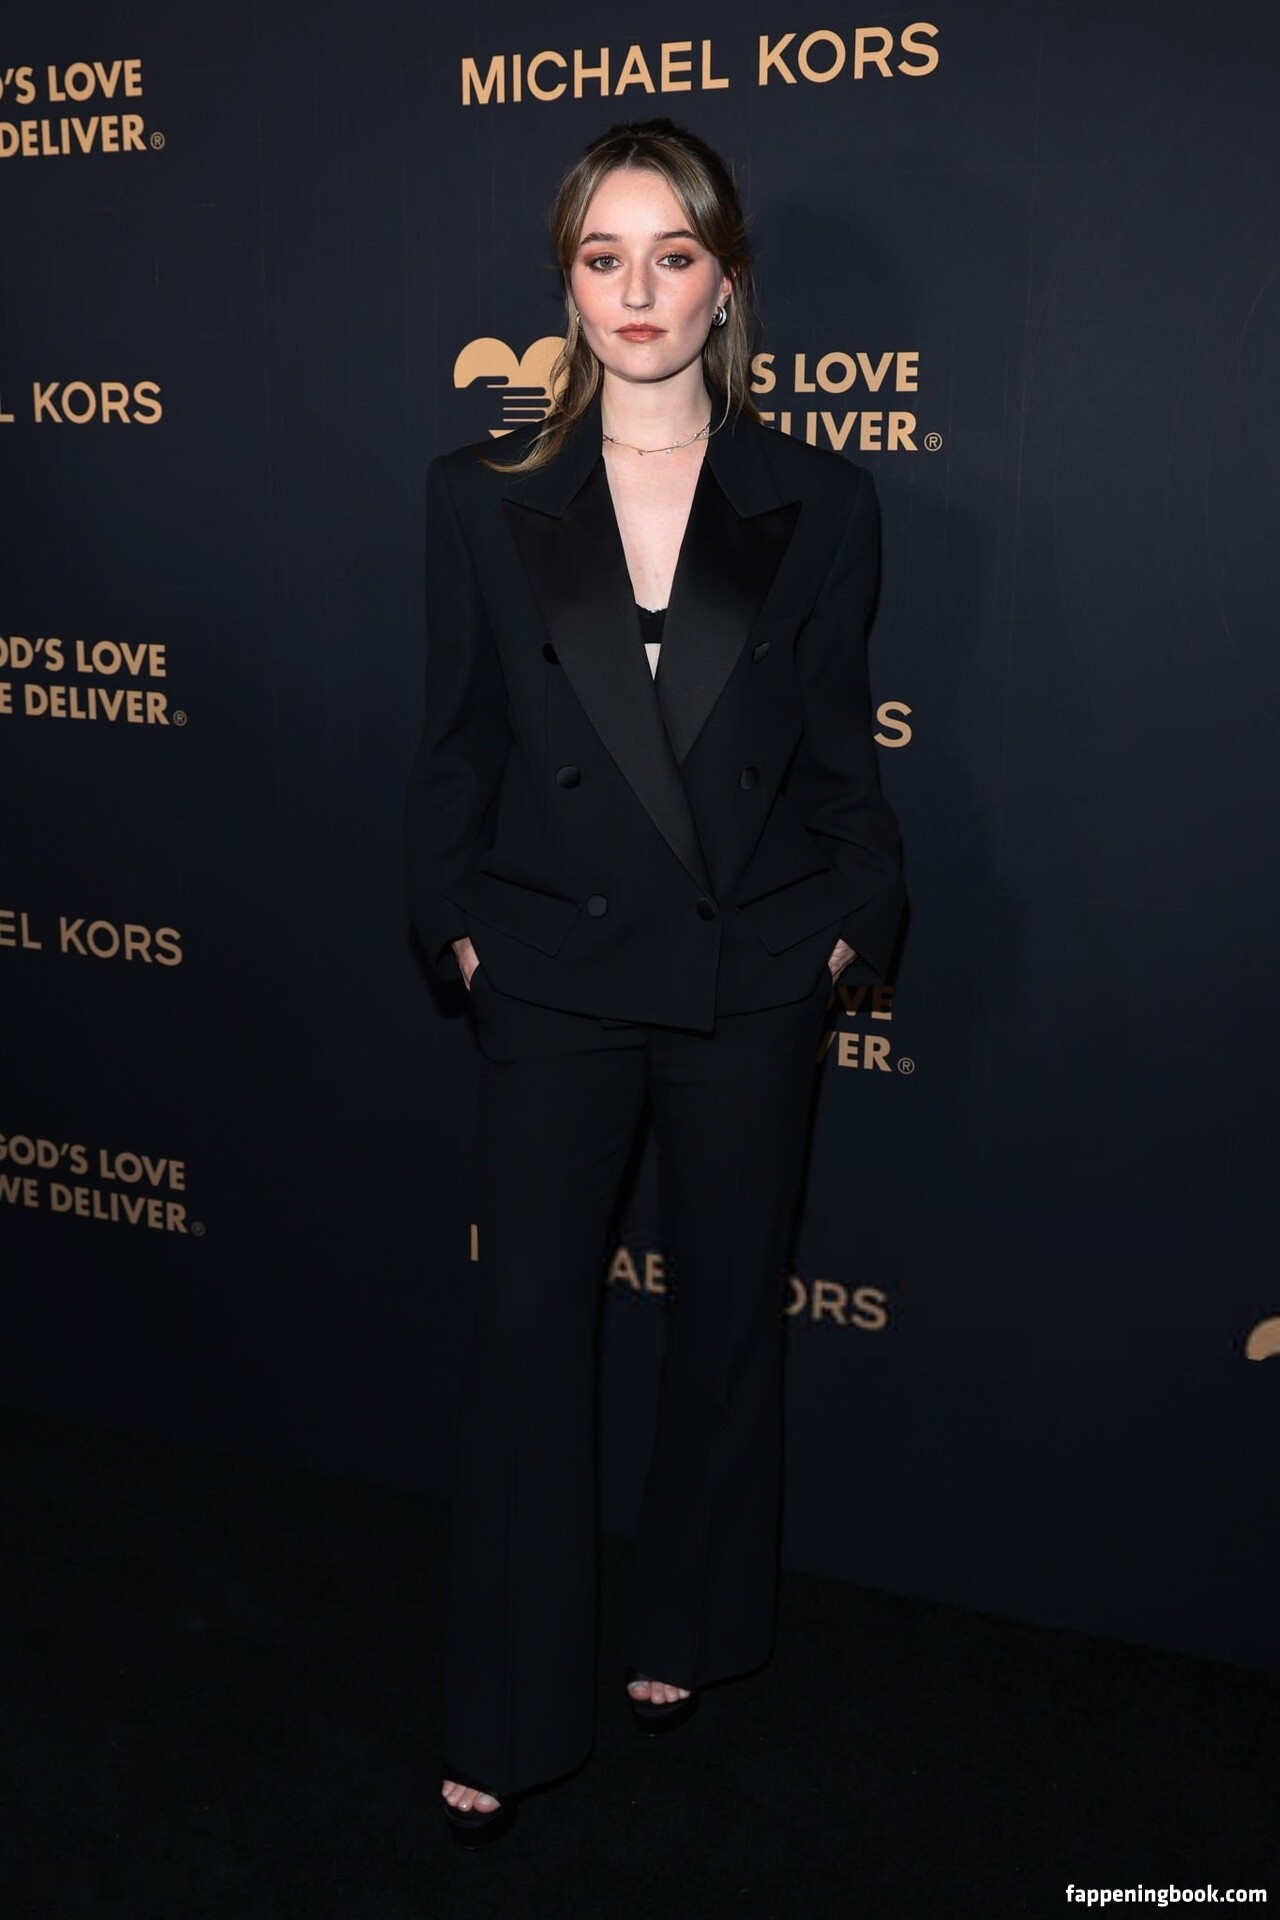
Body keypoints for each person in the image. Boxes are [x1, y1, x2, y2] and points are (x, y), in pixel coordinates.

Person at [403, 116, 905, 1847]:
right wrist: (458, 924)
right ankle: (509, 1706)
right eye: (604, 257)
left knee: (726, 1321)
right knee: (526, 1339)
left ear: (725, 282)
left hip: (752, 965)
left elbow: (838, 751)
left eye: (672, 255)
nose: (638, 291)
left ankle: (691, 1620)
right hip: (548, 969)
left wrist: (847, 922)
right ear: (567, 285)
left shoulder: (820, 499)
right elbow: (454, 749)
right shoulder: (479, 498)